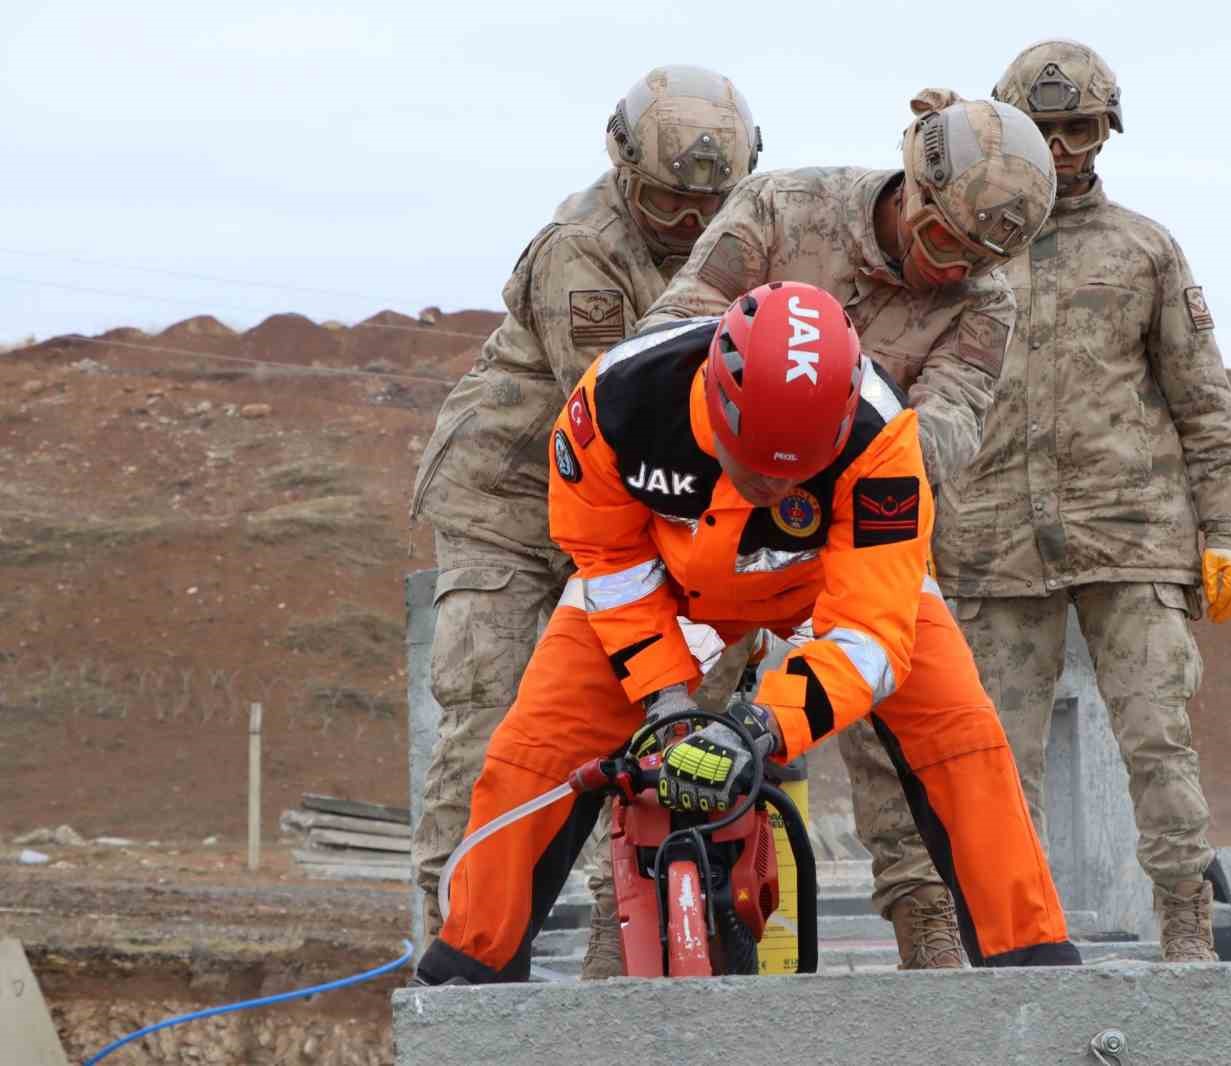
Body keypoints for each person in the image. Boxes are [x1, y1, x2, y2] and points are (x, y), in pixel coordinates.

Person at [411, 282, 1080, 984]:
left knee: (962, 736)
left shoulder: (884, 441)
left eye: (791, 471)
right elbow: (606, 557)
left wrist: (759, 728)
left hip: (829, 582)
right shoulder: (617, 402)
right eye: (753, 462)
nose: (767, 485)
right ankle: (470, 974)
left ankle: (1034, 968)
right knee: (534, 748)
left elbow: (873, 635)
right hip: (664, 582)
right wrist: (664, 694)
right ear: (716, 398)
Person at [614, 91, 1057, 970]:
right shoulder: (784, 210)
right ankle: (636, 925)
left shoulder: (984, 299)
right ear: (914, 194)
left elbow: (952, 426)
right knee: (670, 728)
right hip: (721, 514)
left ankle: (927, 926)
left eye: (980, 258)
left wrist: (832, 456)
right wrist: (762, 430)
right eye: (944, 244)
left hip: (860, 530)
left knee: (913, 721)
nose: (955, 270)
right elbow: (673, 336)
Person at [407, 65, 761, 946]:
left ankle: (635, 953)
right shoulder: (581, 248)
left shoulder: (744, 238)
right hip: (516, 508)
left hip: (638, 505)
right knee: (493, 723)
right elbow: (611, 410)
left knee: (682, 729)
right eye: (667, 202)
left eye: (705, 206)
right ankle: (456, 948)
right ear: (622, 167)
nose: (688, 225)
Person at [931, 39, 1231, 961]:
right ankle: (1014, 936)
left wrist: (1225, 531)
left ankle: (1186, 923)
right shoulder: (962, 246)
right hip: (992, 544)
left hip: (1134, 535)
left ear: (1106, 131)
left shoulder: (1144, 249)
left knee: (1158, 741)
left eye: (1080, 128)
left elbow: (1204, 402)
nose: (1065, 149)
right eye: (1046, 130)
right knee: (996, 763)